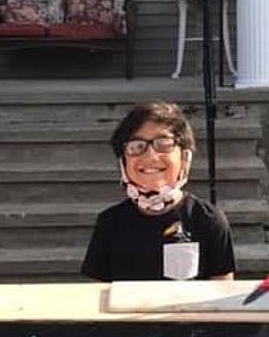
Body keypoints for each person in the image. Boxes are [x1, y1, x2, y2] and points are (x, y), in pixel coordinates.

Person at [81, 102, 236, 281]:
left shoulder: (208, 221)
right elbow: (96, 296)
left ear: (184, 158)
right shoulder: (109, 223)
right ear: (123, 161)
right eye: (137, 146)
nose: (150, 157)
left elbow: (222, 294)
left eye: (163, 144)